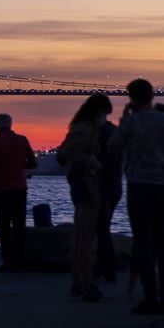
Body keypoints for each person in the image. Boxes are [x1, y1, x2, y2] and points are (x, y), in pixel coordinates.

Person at [109, 79, 164, 315]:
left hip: (140, 187)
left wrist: (124, 120)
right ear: (152, 96)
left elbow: (113, 148)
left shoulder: (131, 122)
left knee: (144, 243)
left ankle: (150, 298)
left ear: (131, 98)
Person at [58, 93, 112, 302]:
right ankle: (88, 284)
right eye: (105, 113)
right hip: (86, 184)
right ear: (98, 112)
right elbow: (68, 153)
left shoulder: (78, 127)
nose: (106, 118)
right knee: (87, 239)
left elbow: (63, 152)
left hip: (79, 185)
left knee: (81, 237)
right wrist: (92, 162)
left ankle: (77, 283)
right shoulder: (85, 129)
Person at [0, 113, 37, 271]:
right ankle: (19, 260)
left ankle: (7, 261)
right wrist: (18, 166)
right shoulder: (22, 140)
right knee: (19, 225)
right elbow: (33, 163)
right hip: (20, 189)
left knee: (3, 225)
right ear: (11, 125)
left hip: (1, 190)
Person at [94, 113, 123, 284]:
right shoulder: (116, 132)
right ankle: (103, 269)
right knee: (103, 228)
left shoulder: (98, 133)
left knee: (102, 229)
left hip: (102, 186)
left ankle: (106, 270)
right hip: (115, 186)